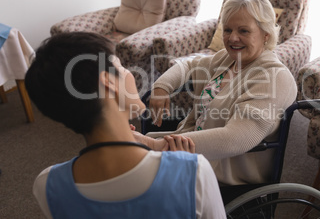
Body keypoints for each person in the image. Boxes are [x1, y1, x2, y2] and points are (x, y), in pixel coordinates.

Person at [25, 32, 225, 219]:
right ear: (108, 82)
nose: (130, 74)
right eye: (121, 67)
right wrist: (183, 170)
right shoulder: (194, 171)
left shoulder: (47, 186)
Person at [137, 0, 297, 186]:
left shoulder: (275, 78)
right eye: (228, 30)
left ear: (266, 35)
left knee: (137, 176)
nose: (233, 38)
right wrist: (162, 87)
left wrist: (159, 145)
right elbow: (187, 66)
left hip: (222, 170)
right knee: (129, 157)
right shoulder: (227, 59)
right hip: (191, 150)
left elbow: (234, 139)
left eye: (244, 31)